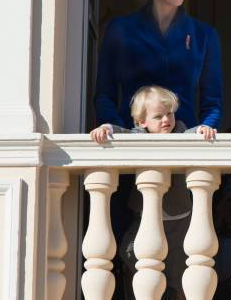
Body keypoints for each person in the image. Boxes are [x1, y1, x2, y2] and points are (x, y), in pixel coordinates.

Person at [90, 86, 216, 300]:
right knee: (130, 252)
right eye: (158, 116)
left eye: (170, 113)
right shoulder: (139, 135)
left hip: (179, 217)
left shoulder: (180, 132)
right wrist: (107, 128)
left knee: (179, 270)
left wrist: (202, 129)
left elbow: (191, 133)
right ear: (142, 122)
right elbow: (124, 134)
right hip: (145, 214)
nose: (166, 119)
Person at [95, 0, 222, 130]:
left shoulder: (205, 35)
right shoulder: (121, 29)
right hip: (131, 140)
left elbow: (213, 102)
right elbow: (105, 95)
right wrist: (120, 135)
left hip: (186, 142)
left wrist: (203, 134)